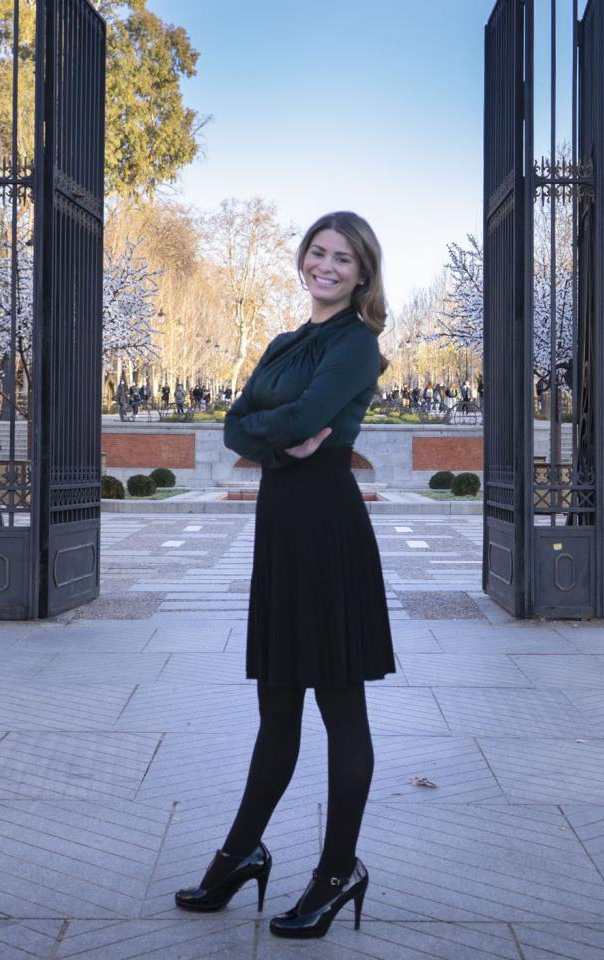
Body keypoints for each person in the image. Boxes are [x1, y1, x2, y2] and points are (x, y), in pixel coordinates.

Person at [179, 211, 391, 940]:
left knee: (341, 707)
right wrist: (280, 441)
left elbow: (302, 419)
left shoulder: (357, 345)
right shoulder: (281, 342)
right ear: (303, 259)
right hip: (280, 531)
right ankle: (241, 854)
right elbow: (235, 424)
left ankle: (337, 872)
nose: (325, 265)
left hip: (328, 532)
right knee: (276, 709)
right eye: (317, 252)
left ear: (362, 274)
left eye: (343, 258)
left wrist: (274, 433)